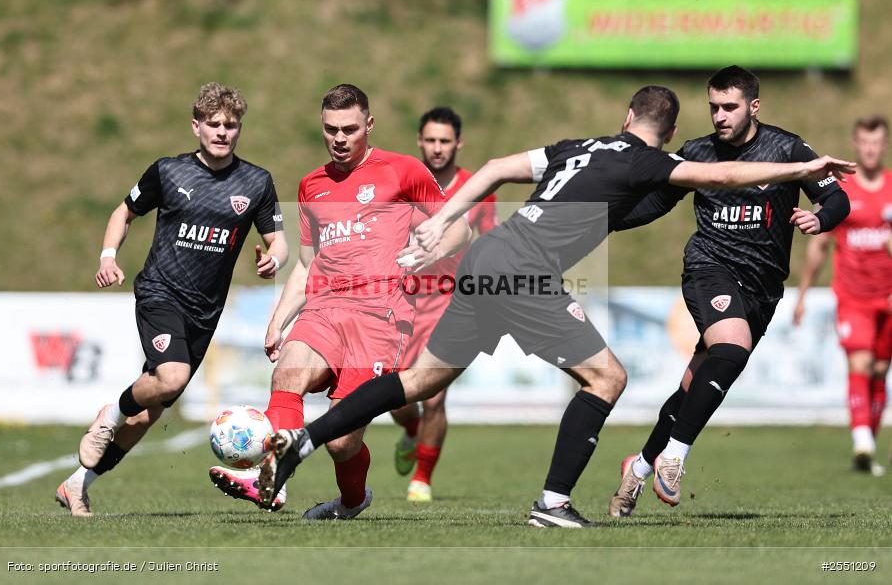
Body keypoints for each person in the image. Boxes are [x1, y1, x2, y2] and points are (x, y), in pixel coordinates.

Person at [255, 85, 854, 528]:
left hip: (488, 255)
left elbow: (491, 168)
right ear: (668, 133)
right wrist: (805, 166)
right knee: (607, 377)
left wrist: (440, 221)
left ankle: (304, 443)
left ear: (626, 117)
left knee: (415, 380)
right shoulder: (652, 159)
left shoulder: (577, 147)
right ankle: (553, 503)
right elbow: (722, 177)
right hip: (524, 271)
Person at [209, 85, 471, 518]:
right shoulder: (312, 185)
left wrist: (430, 250)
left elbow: (459, 230)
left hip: (380, 318)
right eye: (331, 130)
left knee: (341, 442)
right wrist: (278, 320)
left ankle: (352, 501)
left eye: (350, 129)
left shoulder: (404, 170)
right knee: (287, 375)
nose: (340, 138)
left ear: (369, 125)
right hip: (324, 310)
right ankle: (270, 481)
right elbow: (307, 264)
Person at [607, 66, 851, 518]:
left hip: (763, 286)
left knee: (693, 386)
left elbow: (836, 198)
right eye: (713, 107)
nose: (719, 116)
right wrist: (603, 218)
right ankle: (675, 455)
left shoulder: (786, 148)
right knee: (732, 347)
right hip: (710, 266)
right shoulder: (698, 152)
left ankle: (639, 466)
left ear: (753, 107)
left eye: (729, 107)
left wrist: (821, 219)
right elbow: (657, 202)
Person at [56, 82, 288, 517]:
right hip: (160, 293)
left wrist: (274, 259)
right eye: (214, 124)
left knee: (147, 415)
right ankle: (109, 416)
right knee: (173, 377)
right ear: (196, 126)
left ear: (240, 129)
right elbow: (124, 212)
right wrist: (109, 256)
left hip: (206, 311)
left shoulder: (256, 182)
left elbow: (278, 241)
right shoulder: (168, 172)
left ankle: (76, 484)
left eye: (231, 125)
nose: (222, 131)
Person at [389, 107, 498, 502]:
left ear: (458, 143)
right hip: (401, 303)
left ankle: (422, 480)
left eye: (445, 141)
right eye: (430, 140)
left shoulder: (477, 188)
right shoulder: (401, 183)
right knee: (396, 394)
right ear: (420, 140)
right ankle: (411, 431)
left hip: (450, 303)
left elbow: (489, 243)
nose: (437, 148)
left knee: (433, 395)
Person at [793, 115, 892, 476]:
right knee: (860, 364)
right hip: (853, 297)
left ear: (884, 146)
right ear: (855, 144)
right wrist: (803, 293)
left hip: (889, 298)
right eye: (864, 142)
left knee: (880, 371)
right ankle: (862, 440)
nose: (869, 149)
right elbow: (819, 245)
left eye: (876, 142)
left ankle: (866, 447)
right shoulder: (841, 191)